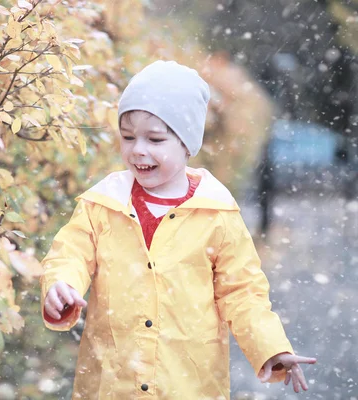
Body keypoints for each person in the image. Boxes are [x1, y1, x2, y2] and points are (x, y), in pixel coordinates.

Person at [39, 60, 317, 399]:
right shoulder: (102, 203)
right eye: (128, 137)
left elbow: (243, 292)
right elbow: (71, 252)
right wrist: (61, 283)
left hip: (187, 385)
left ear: (186, 143)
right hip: (112, 383)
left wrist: (270, 348)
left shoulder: (216, 213)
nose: (138, 149)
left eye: (155, 139)